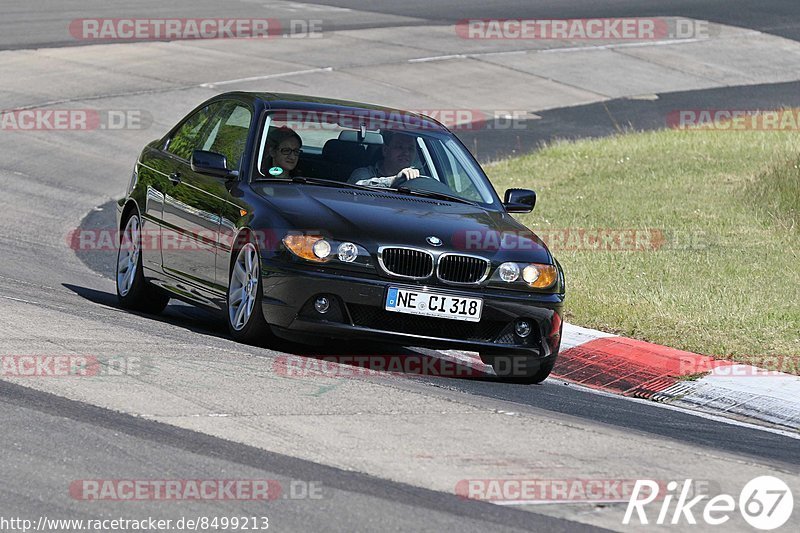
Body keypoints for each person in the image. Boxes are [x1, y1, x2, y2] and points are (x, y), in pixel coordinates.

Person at [349, 131, 420, 187]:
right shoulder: (363, 174)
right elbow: (356, 188)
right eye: (399, 147)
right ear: (385, 150)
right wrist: (394, 180)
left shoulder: (419, 179)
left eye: (411, 148)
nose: (406, 153)